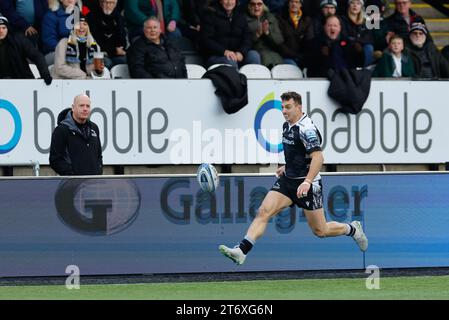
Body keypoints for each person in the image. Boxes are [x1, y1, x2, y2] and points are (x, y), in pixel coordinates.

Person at [219, 91, 368, 265]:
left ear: (299, 107)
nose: (284, 111)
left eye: (288, 107)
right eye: (282, 107)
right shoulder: (286, 125)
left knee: (321, 230)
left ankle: (351, 229)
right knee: (263, 211)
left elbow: (318, 158)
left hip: (308, 185)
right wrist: (287, 167)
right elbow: (298, 154)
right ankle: (242, 250)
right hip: (288, 181)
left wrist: (307, 181)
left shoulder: (307, 129)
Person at [50, 94, 103, 175]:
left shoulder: (94, 128)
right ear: (73, 107)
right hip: (73, 184)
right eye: (81, 105)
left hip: (94, 184)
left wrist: (98, 170)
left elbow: (99, 156)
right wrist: (73, 175)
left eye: (88, 106)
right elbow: (55, 160)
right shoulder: (61, 130)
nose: (85, 109)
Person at [0, 14, 52, 84]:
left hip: (23, 82)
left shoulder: (18, 40)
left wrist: (45, 75)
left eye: (4, 28)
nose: (1, 31)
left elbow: (36, 56)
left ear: (8, 29)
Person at [52, 15, 102, 79]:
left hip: (85, 82)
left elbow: (94, 71)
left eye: (84, 24)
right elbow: (59, 68)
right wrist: (81, 75)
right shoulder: (63, 43)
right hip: (65, 82)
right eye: (78, 24)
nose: (81, 27)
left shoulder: (95, 45)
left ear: (88, 27)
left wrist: (98, 71)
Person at [87, 0, 127, 69]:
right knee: (108, 63)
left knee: (125, 60)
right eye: (106, 2)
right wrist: (114, 51)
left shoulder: (119, 17)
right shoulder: (92, 17)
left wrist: (121, 47)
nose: (108, 5)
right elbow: (95, 41)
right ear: (100, 3)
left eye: (111, 3)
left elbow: (122, 39)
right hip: (98, 53)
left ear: (115, 4)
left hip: (116, 53)